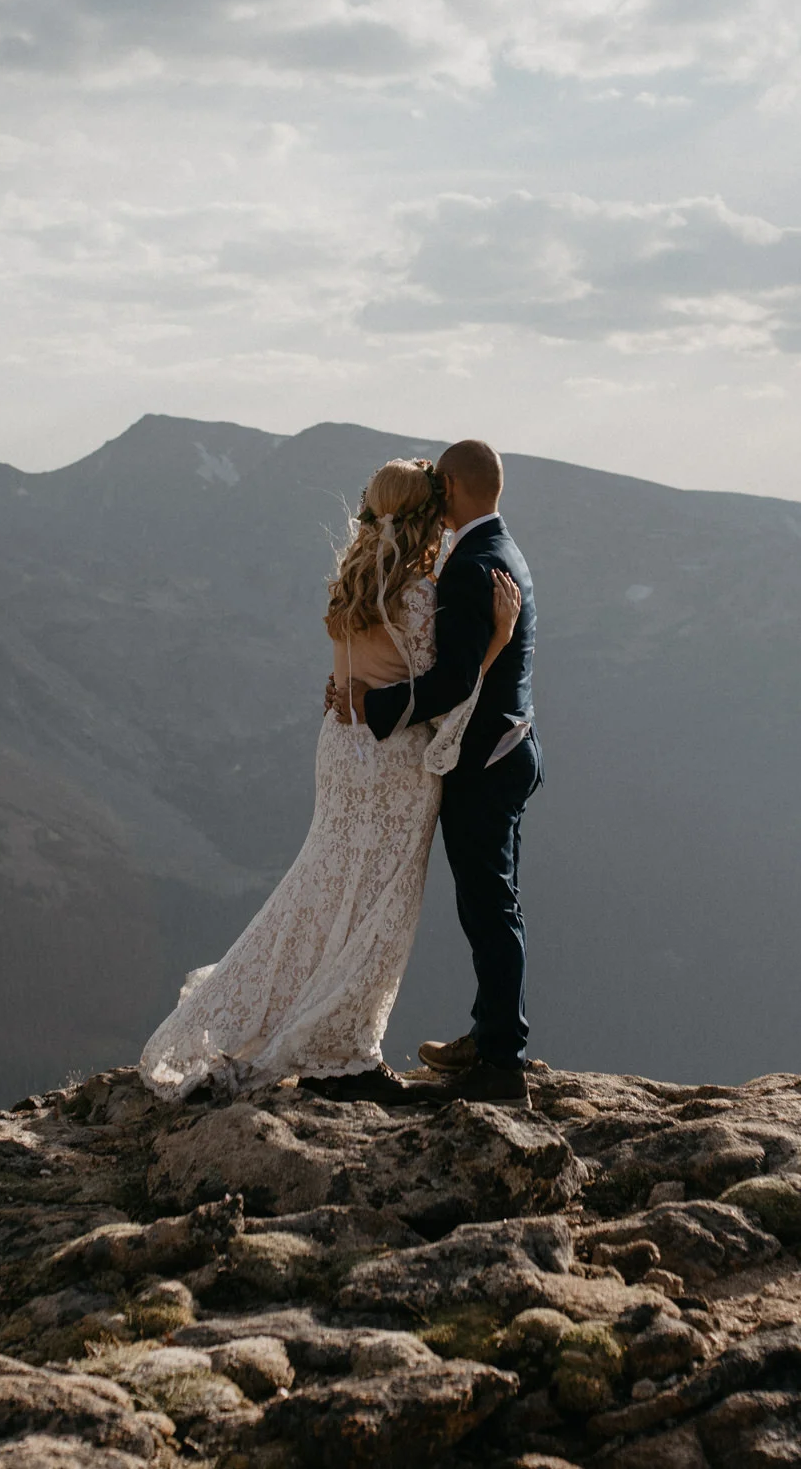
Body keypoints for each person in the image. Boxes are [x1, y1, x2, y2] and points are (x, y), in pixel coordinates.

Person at [137, 455, 522, 1105]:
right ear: (429, 513)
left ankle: (289, 1021)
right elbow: (441, 695)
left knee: (323, 885)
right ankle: (342, 1049)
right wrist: (498, 638)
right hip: (390, 762)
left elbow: (364, 673)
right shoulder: (422, 593)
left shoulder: (355, 575)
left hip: (341, 750)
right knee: (379, 906)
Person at [344, 440, 541, 1107]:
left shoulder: (468, 567)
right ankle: (491, 1032)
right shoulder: (507, 551)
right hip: (511, 750)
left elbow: (454, 681)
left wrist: (373, 705)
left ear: (452, 485)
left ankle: (502, 1060)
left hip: (485, 760)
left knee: (489, 907)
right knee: (492, 902)